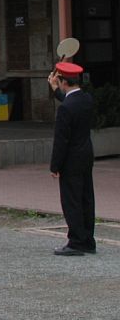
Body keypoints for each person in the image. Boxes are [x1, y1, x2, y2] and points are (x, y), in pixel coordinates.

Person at [47, 62, 96, 256]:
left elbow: (61, 140)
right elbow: (70, 102)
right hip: (86, 154)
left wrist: (54, 165)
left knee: (71, 200)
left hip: (70, 159)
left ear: (62, 81)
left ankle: (75, 242)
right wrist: (55, 90)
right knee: (86, 198)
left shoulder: (65, 109)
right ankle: (88, 240)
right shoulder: (86, 99)